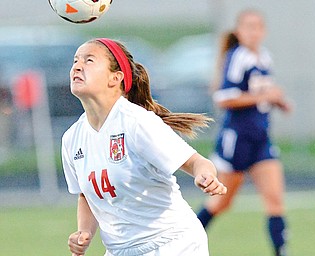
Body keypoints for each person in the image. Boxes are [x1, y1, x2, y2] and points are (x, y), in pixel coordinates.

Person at [61, 37, 227, 256]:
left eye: (89, 60)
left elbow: (197, 162)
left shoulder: (136, 122)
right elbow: (86, 195)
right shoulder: (72, 138)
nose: (77, 66)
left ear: (115, 78)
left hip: (172, 244)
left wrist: (205, 176)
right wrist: (84, 232)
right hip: (120, 250)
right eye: (75, 61)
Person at [197, 9, 291, 256]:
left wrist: (277, 101)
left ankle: (282, 251)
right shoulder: (237, 57)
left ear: (264, 31)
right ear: (239, 31)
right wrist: (264, 96)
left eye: (257, 26)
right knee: (220, 202)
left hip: (260, 138)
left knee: (275, 201)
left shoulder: (264, 58)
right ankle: (184, 241)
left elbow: (260, 95)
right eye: (248, 26)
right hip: (236, 139)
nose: (253, 31)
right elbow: (223, 97)